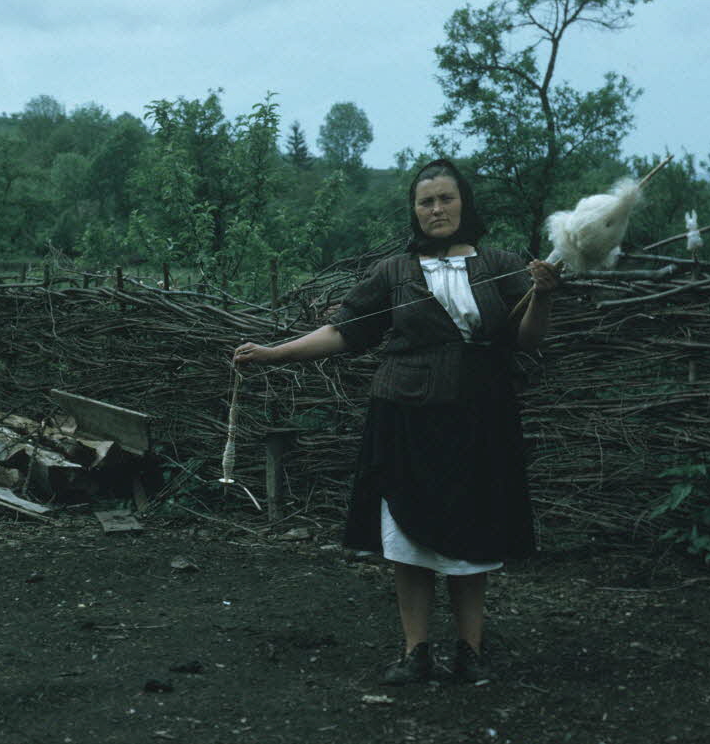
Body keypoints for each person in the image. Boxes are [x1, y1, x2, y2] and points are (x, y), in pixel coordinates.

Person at [233, 159, 558, 685]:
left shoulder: (501, 263)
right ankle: (415, 653)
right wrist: (275, 353)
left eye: (446, 199)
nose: (436, 209)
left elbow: (527, 339)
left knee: (473, 535)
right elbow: (344, 332)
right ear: (414, 210)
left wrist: (541, 293)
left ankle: (471, 653)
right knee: (407, 538)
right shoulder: (394, 271)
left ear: (464, 203)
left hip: (481, 419)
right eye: (426, 201)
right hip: (405, 419)